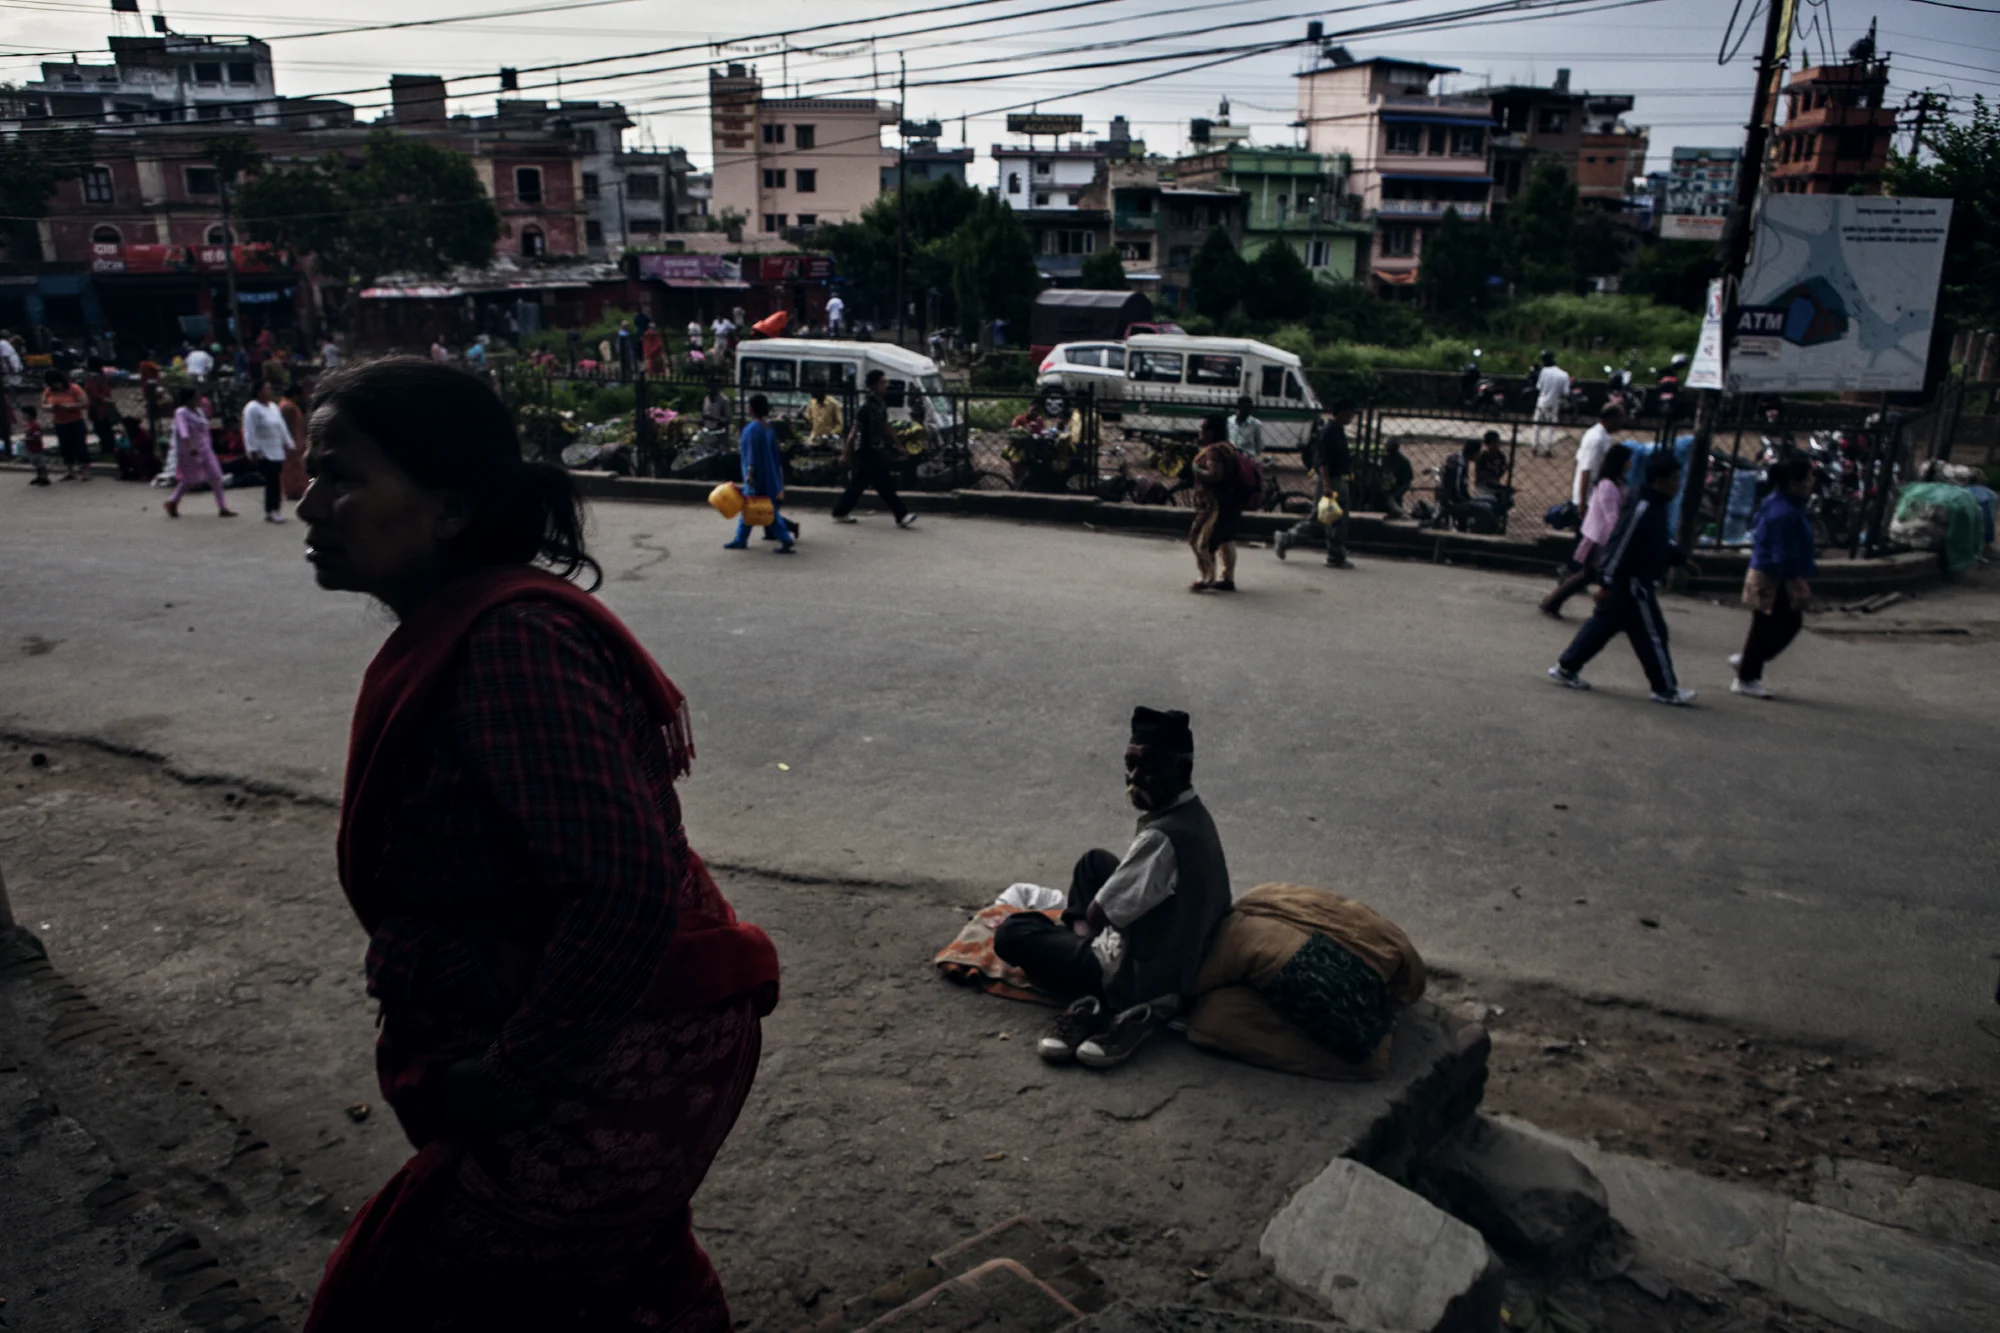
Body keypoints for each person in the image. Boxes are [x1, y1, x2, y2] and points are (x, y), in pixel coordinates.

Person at [293, 357, 779, 1332]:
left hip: (626, 1042)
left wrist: (512, 1075)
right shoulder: (468, 627)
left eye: (339, 477)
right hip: (611, 1029)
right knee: (614, 1281)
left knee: (415, 1291)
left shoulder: (511, 643)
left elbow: (625, 886)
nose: (308, 504)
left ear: (447, 507)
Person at [994, 707, 1232, 1071]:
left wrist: (1087, 929)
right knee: (1093, 862)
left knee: (1013, 931)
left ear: (1180, 770)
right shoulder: (1194, 816)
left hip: (1142, 976)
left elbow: (1096, 914)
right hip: (1180, 944)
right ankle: (1077, 945)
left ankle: (1091, 987)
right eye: (1130, 764)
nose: (1134, 778)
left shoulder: (1161, 838)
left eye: (1148, 767)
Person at [1547, 455, 1697, 706]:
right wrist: (1606, 581)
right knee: (1653, 633)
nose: (1677, 485)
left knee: (1603, 626)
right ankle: (1665, 688)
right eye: (1674, 480)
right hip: (1631, 581)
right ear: (1659, 481)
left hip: (1627, 580)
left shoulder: (1652, 505)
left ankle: (1566, 667)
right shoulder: (1643, 507)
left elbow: (1659, 541)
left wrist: (1681, 559)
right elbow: (1620, 545)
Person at [1732, 458, 1816, 700]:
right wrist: (1795, 581)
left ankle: (1748, 663)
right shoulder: (1784, 513)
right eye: (1807, 478)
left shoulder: (1780, 504)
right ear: (1793, 483)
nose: (1811, 483)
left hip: (1768, 573)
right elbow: (1783, 552)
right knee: (1774, 625)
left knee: (1768, 625)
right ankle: (1747, 673)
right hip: (1773, 577)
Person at [1541, 443, 1632, 618]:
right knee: (1590, 575)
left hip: (1600, 538)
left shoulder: (1615, 484)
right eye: (1628, 461)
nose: (1630, 465)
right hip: (1599, 539)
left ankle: (1552, 603)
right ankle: (1553, 603)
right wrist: (1619, 537)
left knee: (1587, 575)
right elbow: (1611, 516)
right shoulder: (1608, 486)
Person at [1275, 400, 1356, 568]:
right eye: (1349, 413)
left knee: (1339, 518)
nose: (1351, 417)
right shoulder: (1329, 432)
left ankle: (1336, 554)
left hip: (1338, 480)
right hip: (1330, 481)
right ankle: (1287, 539)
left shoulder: (1337, 431)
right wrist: (1326, 485)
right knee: (1319, 519)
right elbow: (1323, 462)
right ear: (1340, 413)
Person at [833, 369, 913, 528]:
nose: (885, 386)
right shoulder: (866, 408)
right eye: (882, 383)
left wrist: (897, 445)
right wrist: (846, 454)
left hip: (877, 449)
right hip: (866, 450)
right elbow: (854, 432)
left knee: (860, 483)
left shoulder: (881, 405)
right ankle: (901, 514)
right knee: (883, 483)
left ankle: (841, 511)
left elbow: (886, 427)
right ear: (874, 386)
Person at [723, 393, 795, 554]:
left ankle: (784, 538)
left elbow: (751, 455)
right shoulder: (768, 427)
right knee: (760, 508)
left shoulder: (752, 429)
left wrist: (750, 473)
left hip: (756, 476)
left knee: (758, 509)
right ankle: (741, 539)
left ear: (752, 408)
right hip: (770, 474)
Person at [1187, 414, 1245, 592]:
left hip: (1214, 503)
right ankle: (1227, 577)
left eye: (1203, 428)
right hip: (1229, 501)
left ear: (1211, 432)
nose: (1200, 432)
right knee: (1225, 539)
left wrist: (1196, 469)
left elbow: (1214, 475)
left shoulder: (1213, 451)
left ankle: (1206, 576)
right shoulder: (1228, 447)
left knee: (1199, 539)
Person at [165, 386, 234, 518]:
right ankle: (173, 501)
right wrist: (191, 444)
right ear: (189, 399)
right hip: (191, 451)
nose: (199, 400)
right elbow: (183, 430)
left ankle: (222, 507)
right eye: (196, 397)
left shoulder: (199, 412)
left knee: (215, 475)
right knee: (189, 479)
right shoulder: (181, 412)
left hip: (205, 449)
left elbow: (205, 429)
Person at [241, 379, 293, 522]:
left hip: (276, 447)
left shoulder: (273, 407)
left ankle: (273, 508)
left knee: (276, 479)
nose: (269, 391)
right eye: (266, 389)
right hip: (263, 449)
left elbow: (281, 426)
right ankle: (271, 509)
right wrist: (252, 449)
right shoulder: (252, 408)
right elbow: (249, 430)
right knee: (272, 480)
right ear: (259, 391)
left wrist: (288, 442)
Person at [1572, 405, 1622, 517]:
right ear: (1610, 419)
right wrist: (1582, 502)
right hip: (1589, 498)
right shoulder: (1597, 439)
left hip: (1593, 495)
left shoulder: (1599, 435)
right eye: (1620, 418)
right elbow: (1586, 470)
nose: (1623, 422)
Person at [42, 369, 92, 481]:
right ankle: (70, 471)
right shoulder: (48, 391)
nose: (56, 386)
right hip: (59, 422)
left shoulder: (74, 388)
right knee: (65, 447)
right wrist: (50, 407)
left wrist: (71, 406)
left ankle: (85, 470)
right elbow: (43, 404)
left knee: (80, 446)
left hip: (75, 421)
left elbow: (85, 403)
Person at [1530, 350, 1571, 457]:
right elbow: (1565, 392)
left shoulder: (1544, 371)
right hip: (1554, 403)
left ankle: (1534, 446)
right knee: (1550, 426)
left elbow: (1539, 387)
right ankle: (1547, 448)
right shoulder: (1564, 375)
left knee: (1537, 424)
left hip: (1542, 401)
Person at [279, 379, 311, 503]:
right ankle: (295, 490)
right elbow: (289, 426)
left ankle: (294, 490)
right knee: (295, 468)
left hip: (294, 440)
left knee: (294, 467)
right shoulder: (288, 407)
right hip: (294, 441)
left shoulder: (285, 404)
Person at [83, 356, 119, 453]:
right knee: (105, 429)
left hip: (98, 407)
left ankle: (108, 449)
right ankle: (109, 448)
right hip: (101, 406)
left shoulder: (94, 378)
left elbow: (94, 394)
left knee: (102, 429)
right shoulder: (101, 376)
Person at [1381, 438, 1414, 519]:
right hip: (1390, 483)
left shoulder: (1401, 460)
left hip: (1400, 484)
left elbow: (1408, 480)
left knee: (1392, 499)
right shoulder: (1386, 457)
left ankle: (1400, 514)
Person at [1474, 429, 1509, 497]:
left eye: (1498, 443)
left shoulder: (1501, 456)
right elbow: (1480, 475)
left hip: (1495, 484)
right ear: (1487, 444)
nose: (1497, 446)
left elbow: (1498, 475)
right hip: (1482, 486)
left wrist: (1503, 469)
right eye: (1494, 444)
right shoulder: (1482, 456)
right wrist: (1494, 469)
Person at [19, 404, 48, 485]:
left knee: (40, 464)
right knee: (36, 464)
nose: (23, 416)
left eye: (24, 414)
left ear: (30, 415)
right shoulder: (27, 425)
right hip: (30, 448)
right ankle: (39, 477)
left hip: (37, 448)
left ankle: (44, 478)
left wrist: (27, 439)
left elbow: (37, 437)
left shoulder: (35, 426)